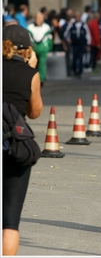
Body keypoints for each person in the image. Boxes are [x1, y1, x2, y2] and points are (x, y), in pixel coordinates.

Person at [3, 24, 43, 255]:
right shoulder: (30, 74)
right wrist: (32, 70)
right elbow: (35, 112)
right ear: (27, 49)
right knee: (9, 222)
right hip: (14, 147)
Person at [27, 12, 53, 85]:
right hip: (33, 48)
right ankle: (31, 78)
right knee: (32, 63)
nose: (38, 20)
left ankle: (41, 78)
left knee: (42, 64)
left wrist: (49, 47)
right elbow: (28, 38)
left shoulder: (46, 27)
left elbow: (49, 38)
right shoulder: (30, 27)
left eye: (40, 18)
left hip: (43, 48)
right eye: (37, 18)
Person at [64, 11, 91, 79]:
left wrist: (88, 44)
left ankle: (80, 71)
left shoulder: (84, 25)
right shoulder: (71, 25)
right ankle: (75, 70)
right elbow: (66, 34)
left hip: (81, 44)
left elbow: (88, 35)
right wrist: (68, 39)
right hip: (74, 44)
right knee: (74, 58)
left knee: (81, 57)